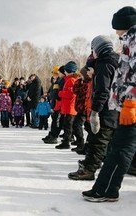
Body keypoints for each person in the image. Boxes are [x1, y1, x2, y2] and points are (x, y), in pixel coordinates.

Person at [82, 6, 136, 202]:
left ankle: (106, 189)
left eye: (117, 28)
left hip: (131, 106)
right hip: (125, 105)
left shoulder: (135, 40)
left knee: (121, 148)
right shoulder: (129, 41)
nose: (116, 33)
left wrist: (130, 103)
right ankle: (107, 188)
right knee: (122, 147)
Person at [69, 36, 119, 180]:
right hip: (114, 108)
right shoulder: (114, 60)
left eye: (93, 50)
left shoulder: (104, 63)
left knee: (98, 140)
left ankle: (89, 170)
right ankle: (90, 164)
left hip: (107, 109)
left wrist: (95, 111)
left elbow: (103, 90)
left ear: (97, 49)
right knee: (99, 139)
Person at [55, 61, 79, 149]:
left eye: (65, 70)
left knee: (68, 126)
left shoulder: (71, 80)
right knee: (67, 125)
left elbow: (71, 94)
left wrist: (60, 93)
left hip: (70, 107)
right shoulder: (69, 80)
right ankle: (68, 141)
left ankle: (67, 142)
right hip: (68, 106)